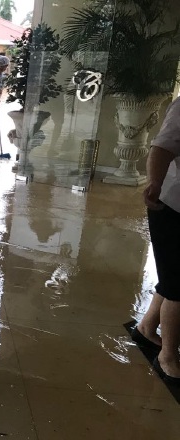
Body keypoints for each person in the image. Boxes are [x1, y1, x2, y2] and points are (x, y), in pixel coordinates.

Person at [132, 96, 180, 385]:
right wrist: (155, 183)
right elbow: (161, 149)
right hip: (172, 205)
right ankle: (168, 356)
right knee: (178, 285)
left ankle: (148, 327)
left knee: (173, 273)